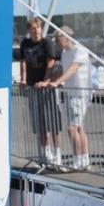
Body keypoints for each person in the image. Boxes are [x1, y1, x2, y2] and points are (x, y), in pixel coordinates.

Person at [38, 27, 91, 170]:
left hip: (80, 94)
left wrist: (57, 82)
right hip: (70, 93)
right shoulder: (65, 53)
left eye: (58, 39)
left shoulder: (79, 51)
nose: (56, 42)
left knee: (71, 128)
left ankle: (77, 161)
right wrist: (49, 81)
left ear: (66, 37)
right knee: (79, 128)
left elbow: (72, 69)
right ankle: (84, 159)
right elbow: (61, 70)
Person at [20, 18, 63, 166]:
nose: (36, 31)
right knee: (39, 123)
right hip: (33, 86)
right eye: (33, 28)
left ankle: (57, 155)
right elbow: (23, 61)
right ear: (29, 30)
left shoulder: (46, 43)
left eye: (38, 28)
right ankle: (44, 155)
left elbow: (51, 63)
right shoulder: (25, 44)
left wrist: (45, 81)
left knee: (53, 122)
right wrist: (23, 79)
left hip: (46, 87)